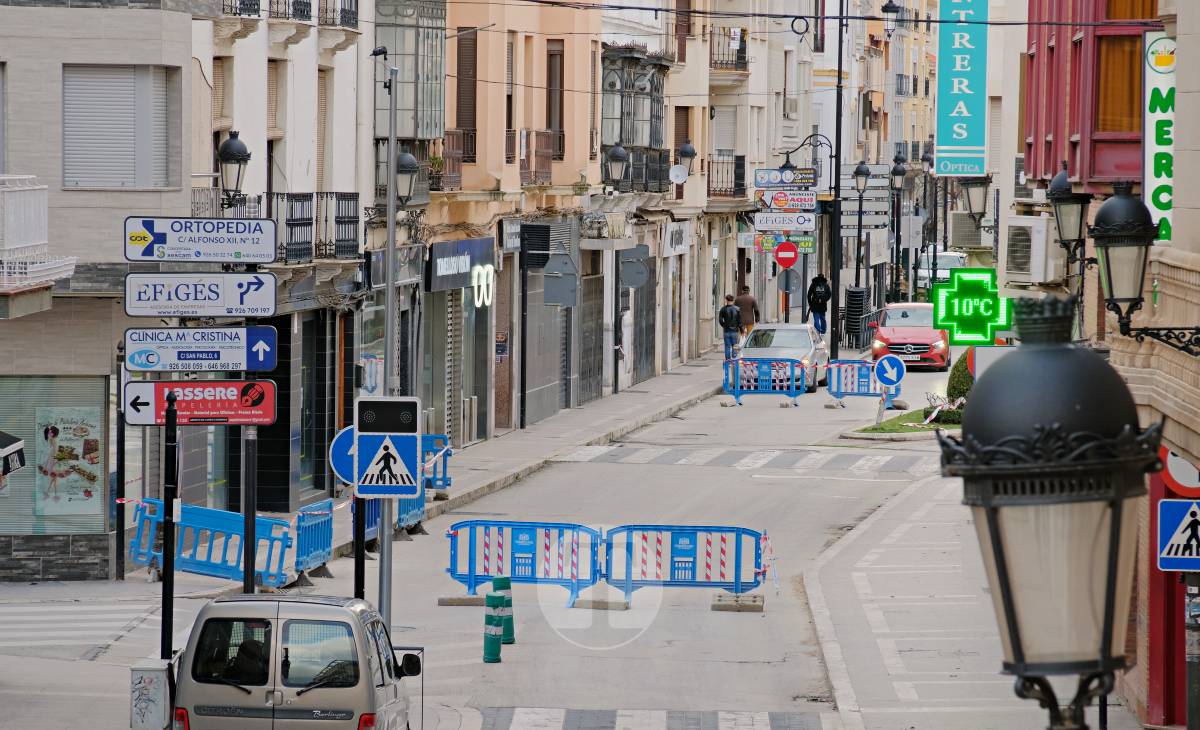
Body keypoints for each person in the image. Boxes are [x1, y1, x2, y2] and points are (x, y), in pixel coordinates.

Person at [718, 294, 742, 361]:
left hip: (726, 331)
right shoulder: (737, 309)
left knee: (727, 346)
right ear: (733, 300)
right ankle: (734, 359)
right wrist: (742, 330)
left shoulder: (723, 309)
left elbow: (720, 320)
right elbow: (740, 321)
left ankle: (728, 360)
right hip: (735, 331)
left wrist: (724, 326)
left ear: (726, 300)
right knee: (735, 346)